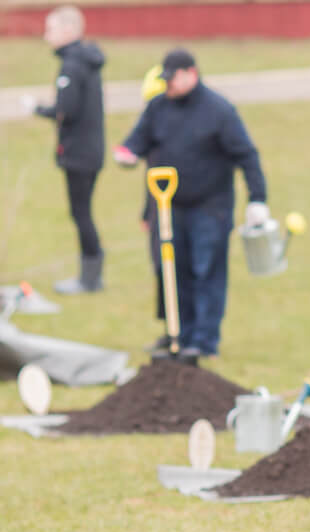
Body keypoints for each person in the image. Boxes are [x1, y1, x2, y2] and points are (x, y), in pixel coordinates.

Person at [113, 48, 268, 359]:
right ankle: (178, 334)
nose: (168, 86)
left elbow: (246, 155)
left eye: (173, 79)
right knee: (172, 270)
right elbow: (137, 141)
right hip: (169, 207)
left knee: (206, 270)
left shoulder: (218, 111)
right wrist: (127, 155)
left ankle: (204, 341)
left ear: (191, 74)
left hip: (210, 206)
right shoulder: (158, 108)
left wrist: (257, 199)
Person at [34, 5, 107, 295]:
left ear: (67, 31)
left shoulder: (73, 65)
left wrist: (38, 109)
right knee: (82, 212)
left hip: (80, 153)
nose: (46, 36)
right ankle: (90, 275)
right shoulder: (83, 61)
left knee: (81, 213)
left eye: (50, 29)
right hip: (89, 150)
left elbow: (67, 110)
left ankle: (89, 278)